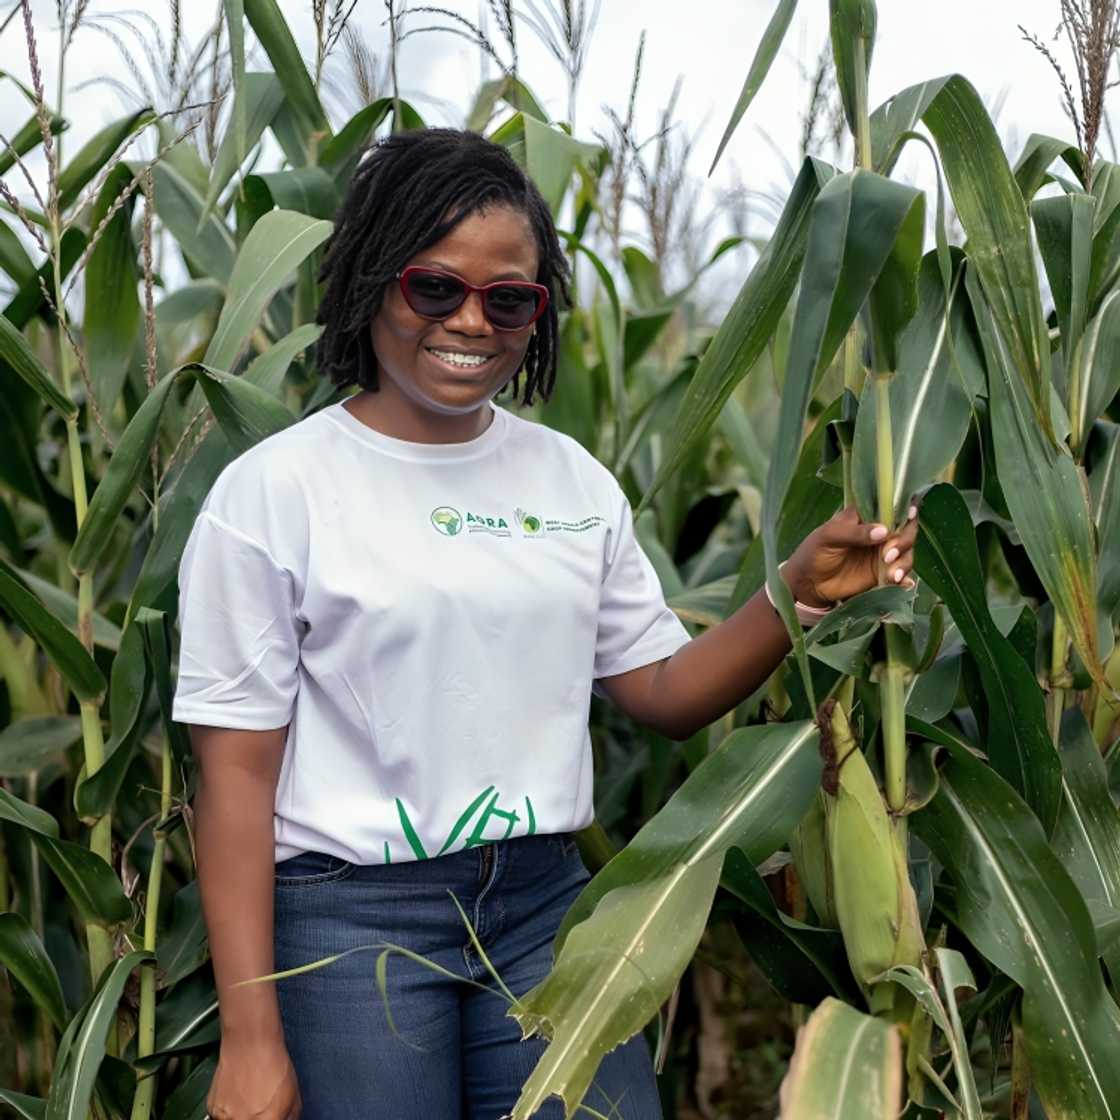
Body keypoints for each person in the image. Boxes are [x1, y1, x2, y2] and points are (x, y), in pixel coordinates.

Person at [171, 128, 917, 1120]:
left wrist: (800, 592)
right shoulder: (272, 493)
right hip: (348, 919)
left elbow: (662, 692)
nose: (470, 322)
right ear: (370, 284)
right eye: (433, 287)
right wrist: (252, 1036)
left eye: (508, 299)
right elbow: (234, 773)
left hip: (543, 907)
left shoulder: (570, 482)